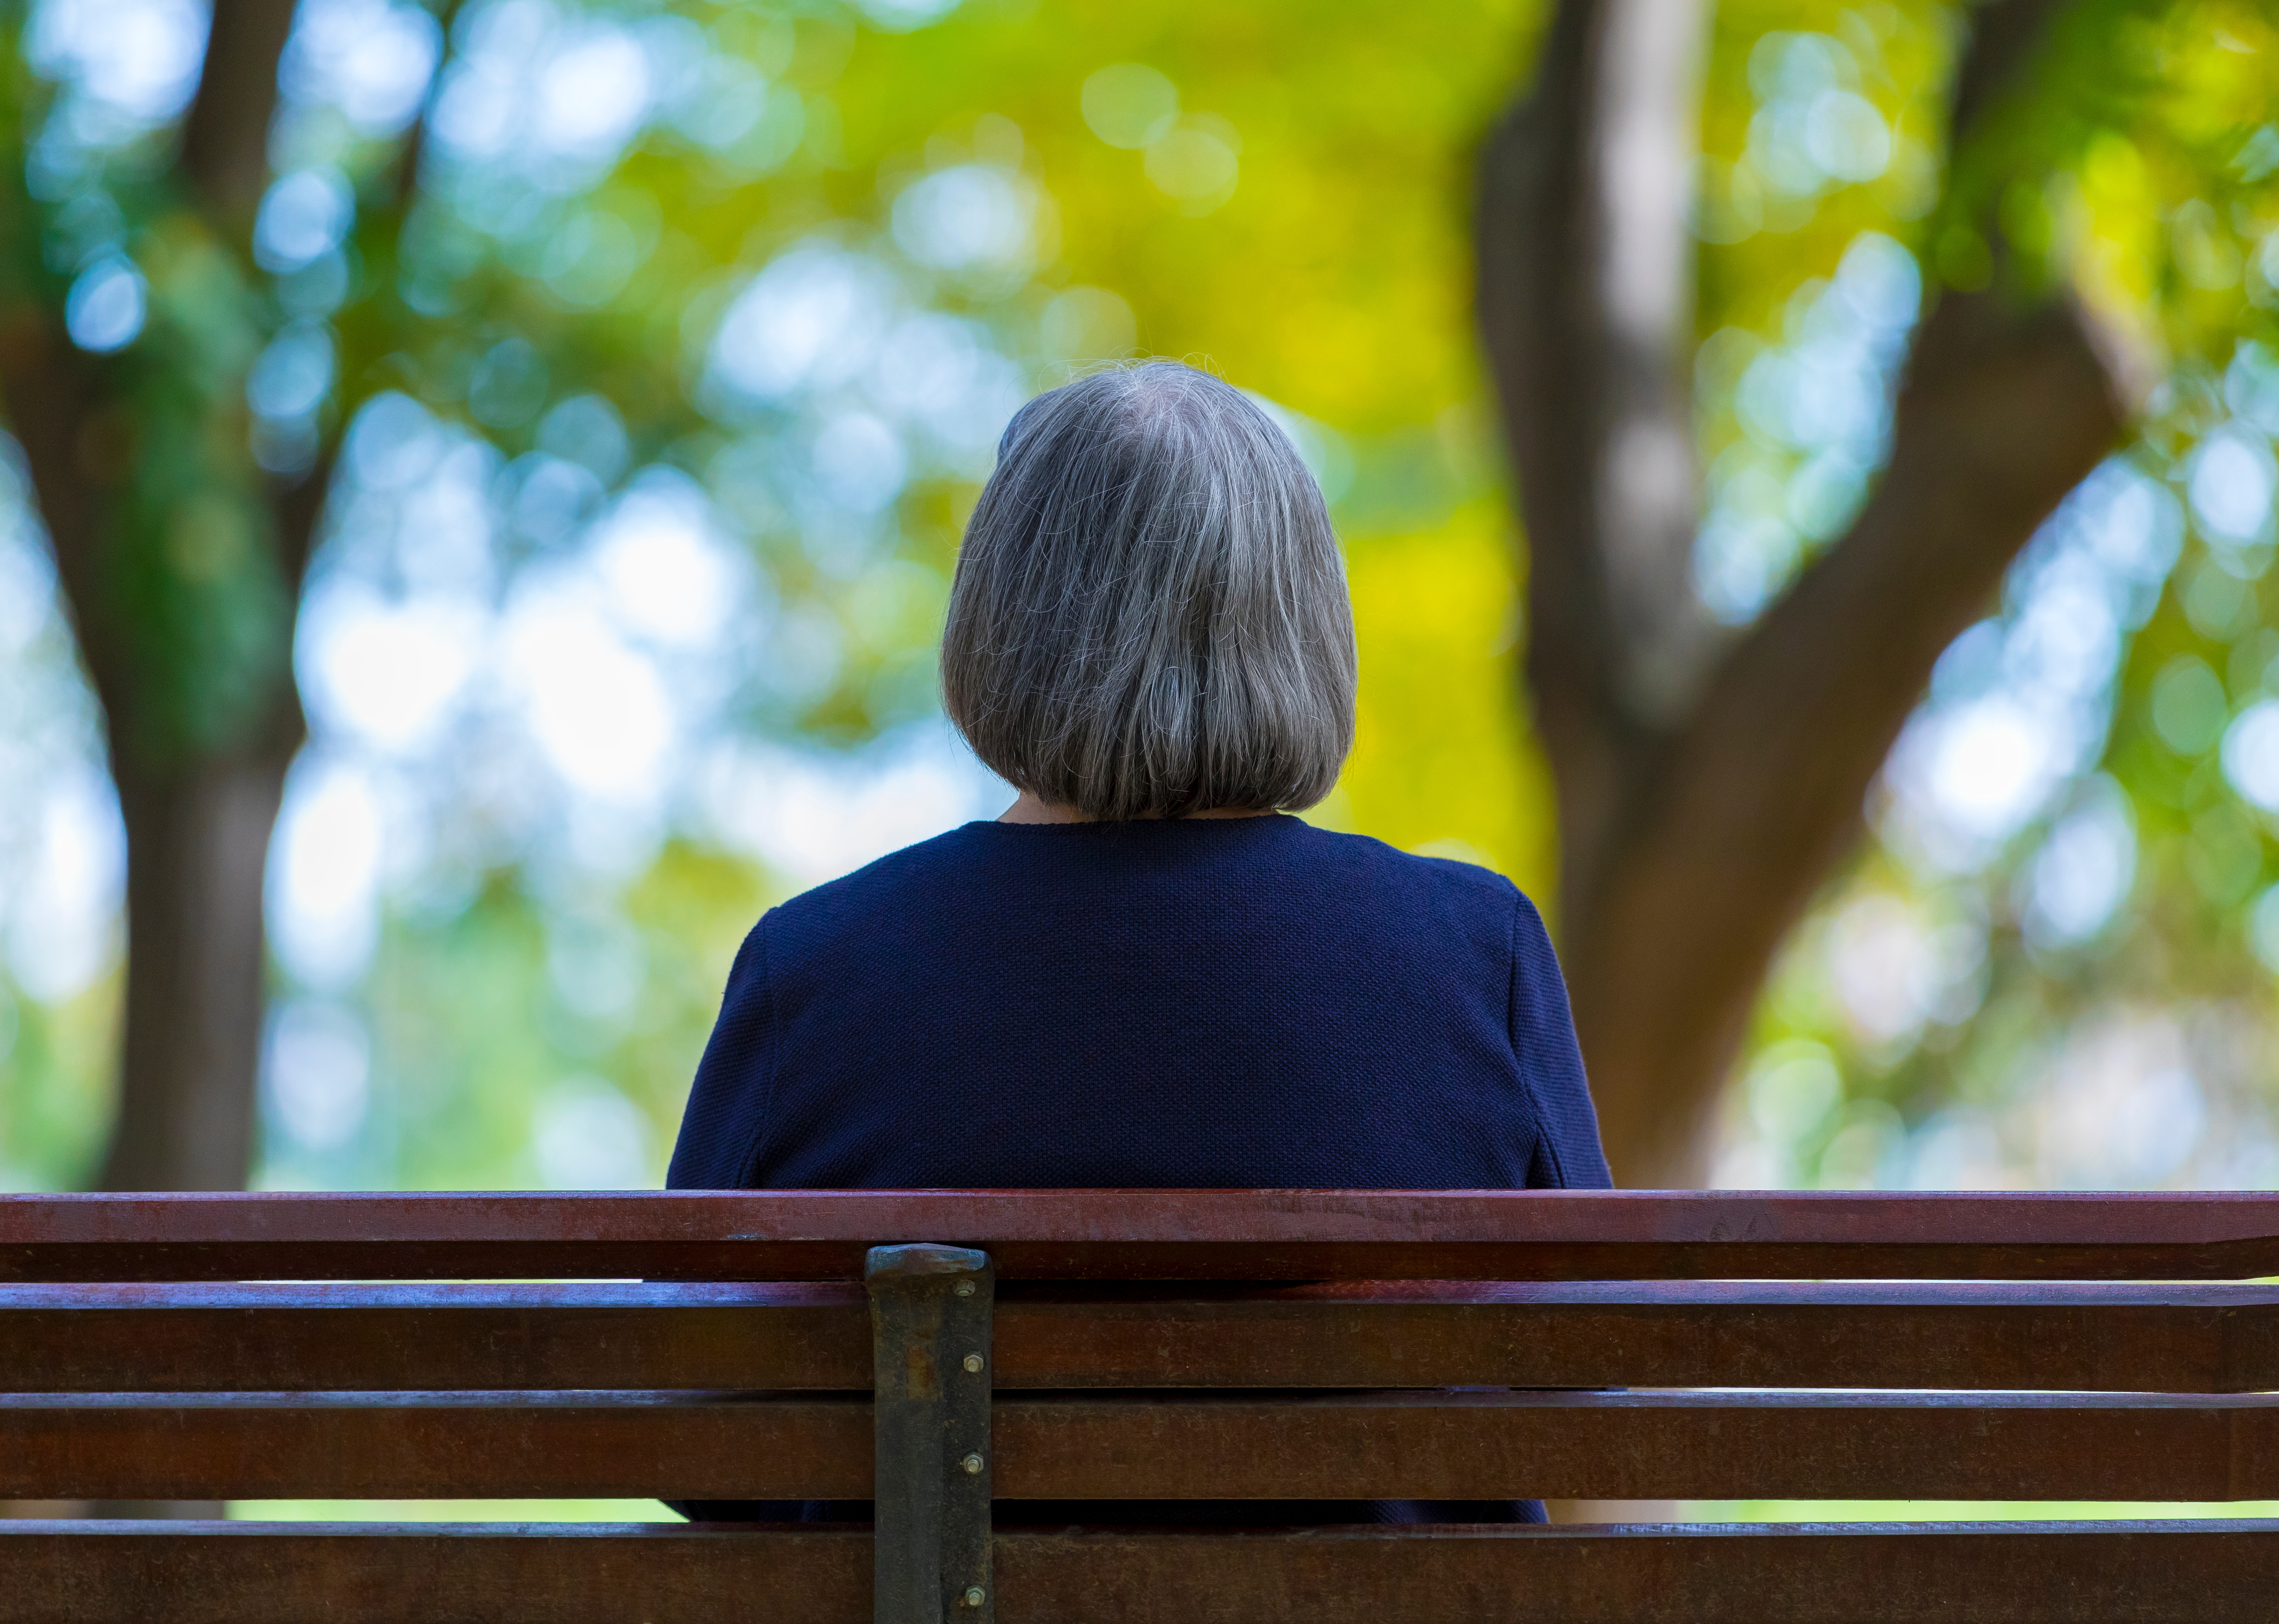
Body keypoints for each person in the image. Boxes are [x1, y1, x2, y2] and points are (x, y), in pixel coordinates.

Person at [667, 360, 1610, 1527]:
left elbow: (702, 1452)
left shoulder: (812, 971)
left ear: (1004, 618)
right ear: (1301, 623)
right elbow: (1598, 1414)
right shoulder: (1477, 955)